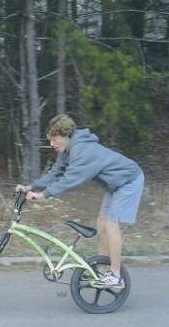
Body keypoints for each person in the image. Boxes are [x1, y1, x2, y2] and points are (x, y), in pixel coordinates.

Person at [16, 114, 144, 289]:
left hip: (129, 181)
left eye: (54, 139)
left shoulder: (82, 151)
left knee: (112, 224)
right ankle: (100, 270)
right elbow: (55, 173)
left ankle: (115, 275)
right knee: (102, 223)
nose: (51, 144)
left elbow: (70, 179)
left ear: (65, 135)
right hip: (115, 184)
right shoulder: (67, 150)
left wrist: (43, 195)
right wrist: (30, 186)